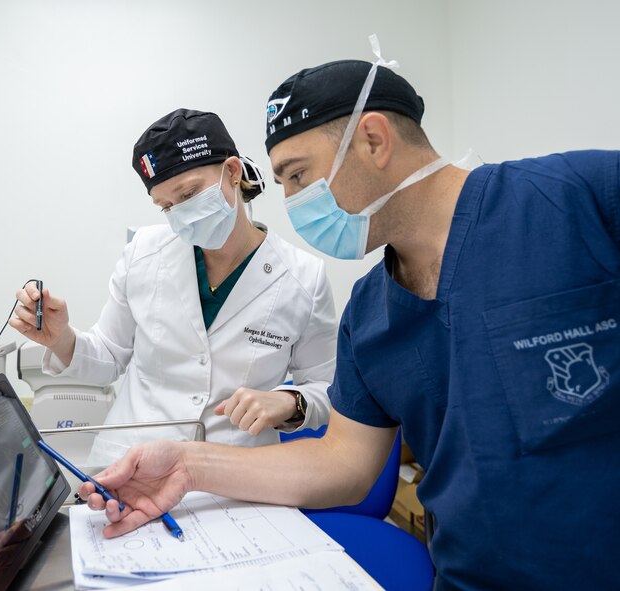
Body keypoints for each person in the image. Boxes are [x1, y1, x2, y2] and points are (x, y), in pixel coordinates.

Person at [79, 48, 620, 590]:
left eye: (298, 175)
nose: (291, 202)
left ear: (374, 140)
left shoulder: (577, 198)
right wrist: (187, 466)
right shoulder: (371, 314)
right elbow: (344, 464)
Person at [9, 108, 338, 465]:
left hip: (235, 472)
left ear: (231, 172)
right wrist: (61, 339)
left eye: (188, 194)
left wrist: (291, 402)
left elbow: (325, 388)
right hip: (133, 461)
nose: (179, 215)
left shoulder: (304, 277)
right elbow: (109, 357)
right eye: (166, 206)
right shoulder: (143, 252)